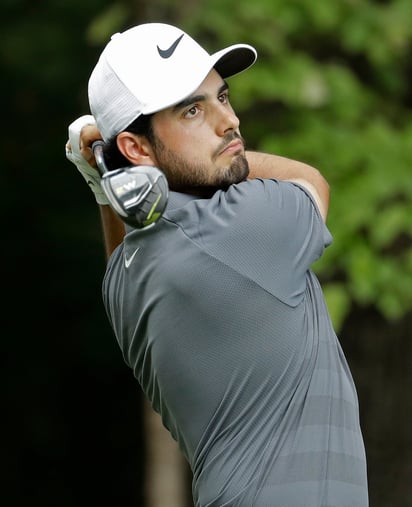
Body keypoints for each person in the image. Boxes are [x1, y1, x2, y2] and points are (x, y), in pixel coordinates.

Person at [66, 22, 368, 506]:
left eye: (222, 97)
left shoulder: (122, 284)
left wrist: (105, 180)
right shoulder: (248, 227)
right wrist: (109, 170)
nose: (228, 122)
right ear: (137, 148)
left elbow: (129, 247)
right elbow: (311, 181)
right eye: (191, 110)